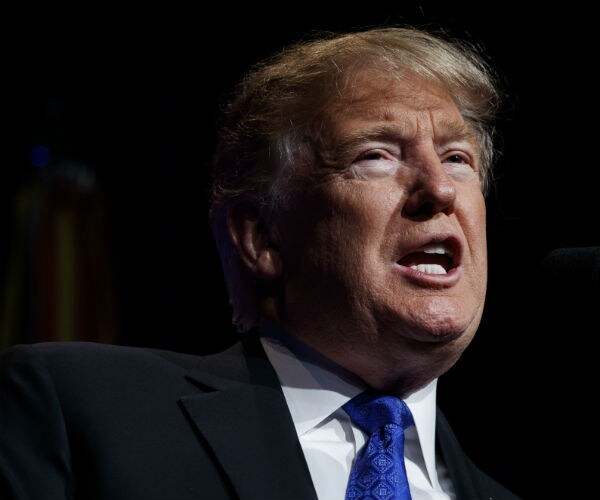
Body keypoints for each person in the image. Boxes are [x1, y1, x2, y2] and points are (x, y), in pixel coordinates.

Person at [0, 26, 521, 499]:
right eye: (376, 155)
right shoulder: (81, 412)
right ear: (261, 236)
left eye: (458, 157)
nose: (439, 188)